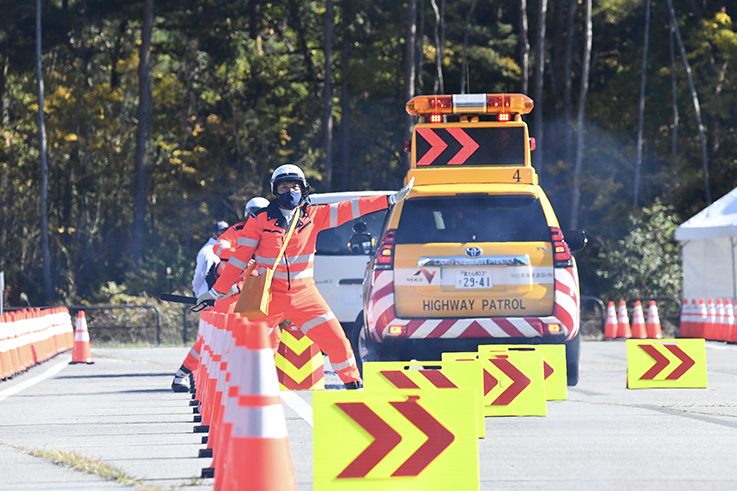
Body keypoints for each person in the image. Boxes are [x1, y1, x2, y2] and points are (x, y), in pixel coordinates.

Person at [198, 163, 413, 389]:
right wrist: (216, 292)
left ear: (303, 189)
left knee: (338, 341)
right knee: (246, 347)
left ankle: (352, 383)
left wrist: (388, 199)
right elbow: (239, 259)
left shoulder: (314, 215)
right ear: (275, 190)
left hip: (306, 295)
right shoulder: (259, 220)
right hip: (270, 296)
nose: (289, 191)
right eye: (283, 187)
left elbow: (351, 208)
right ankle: (235, 394)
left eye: (294, 186)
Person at [171, 202, 268, 393]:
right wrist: (241, 256)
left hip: (254, 293)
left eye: (261, 213)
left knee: (263, 337)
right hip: (228, 294)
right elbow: (219, 248)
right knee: (214, 338)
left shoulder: (273, 233)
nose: (256, 217)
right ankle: (181, 375)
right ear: (247, 214)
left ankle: (255, 381)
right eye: (253, 214)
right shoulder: (237, 230)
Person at [191, 221, 229, 298]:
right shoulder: (208, 251)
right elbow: (200, 274)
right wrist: (195, 290)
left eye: (226, 231)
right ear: (214, 234)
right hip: (207, 293)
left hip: (220, 294)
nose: (225, 234)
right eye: (222, 232)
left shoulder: (227, 248)